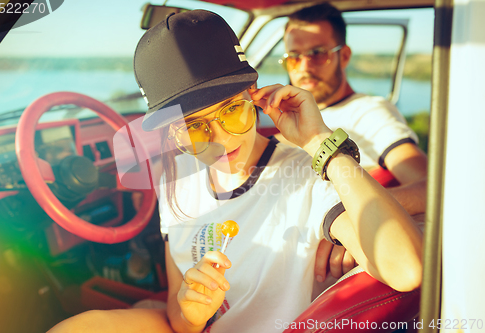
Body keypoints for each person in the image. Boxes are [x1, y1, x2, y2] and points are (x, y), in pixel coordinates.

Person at [48, 10, 422, 333]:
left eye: (232, 111)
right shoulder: (177, 178)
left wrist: (320, 142)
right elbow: (181, 318)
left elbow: (406, 270)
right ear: (171, 130)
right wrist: (192, 313)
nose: (221, 139)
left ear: (255, 94)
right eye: (194, 127)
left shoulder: (303, 176)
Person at [278, 3, 428, 282]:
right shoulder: (287, 118)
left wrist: (350, 218)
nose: (304, 67)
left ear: (343, 56)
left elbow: (431, 186)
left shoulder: (368, 111)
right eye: (294, 57)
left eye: (317, 54)